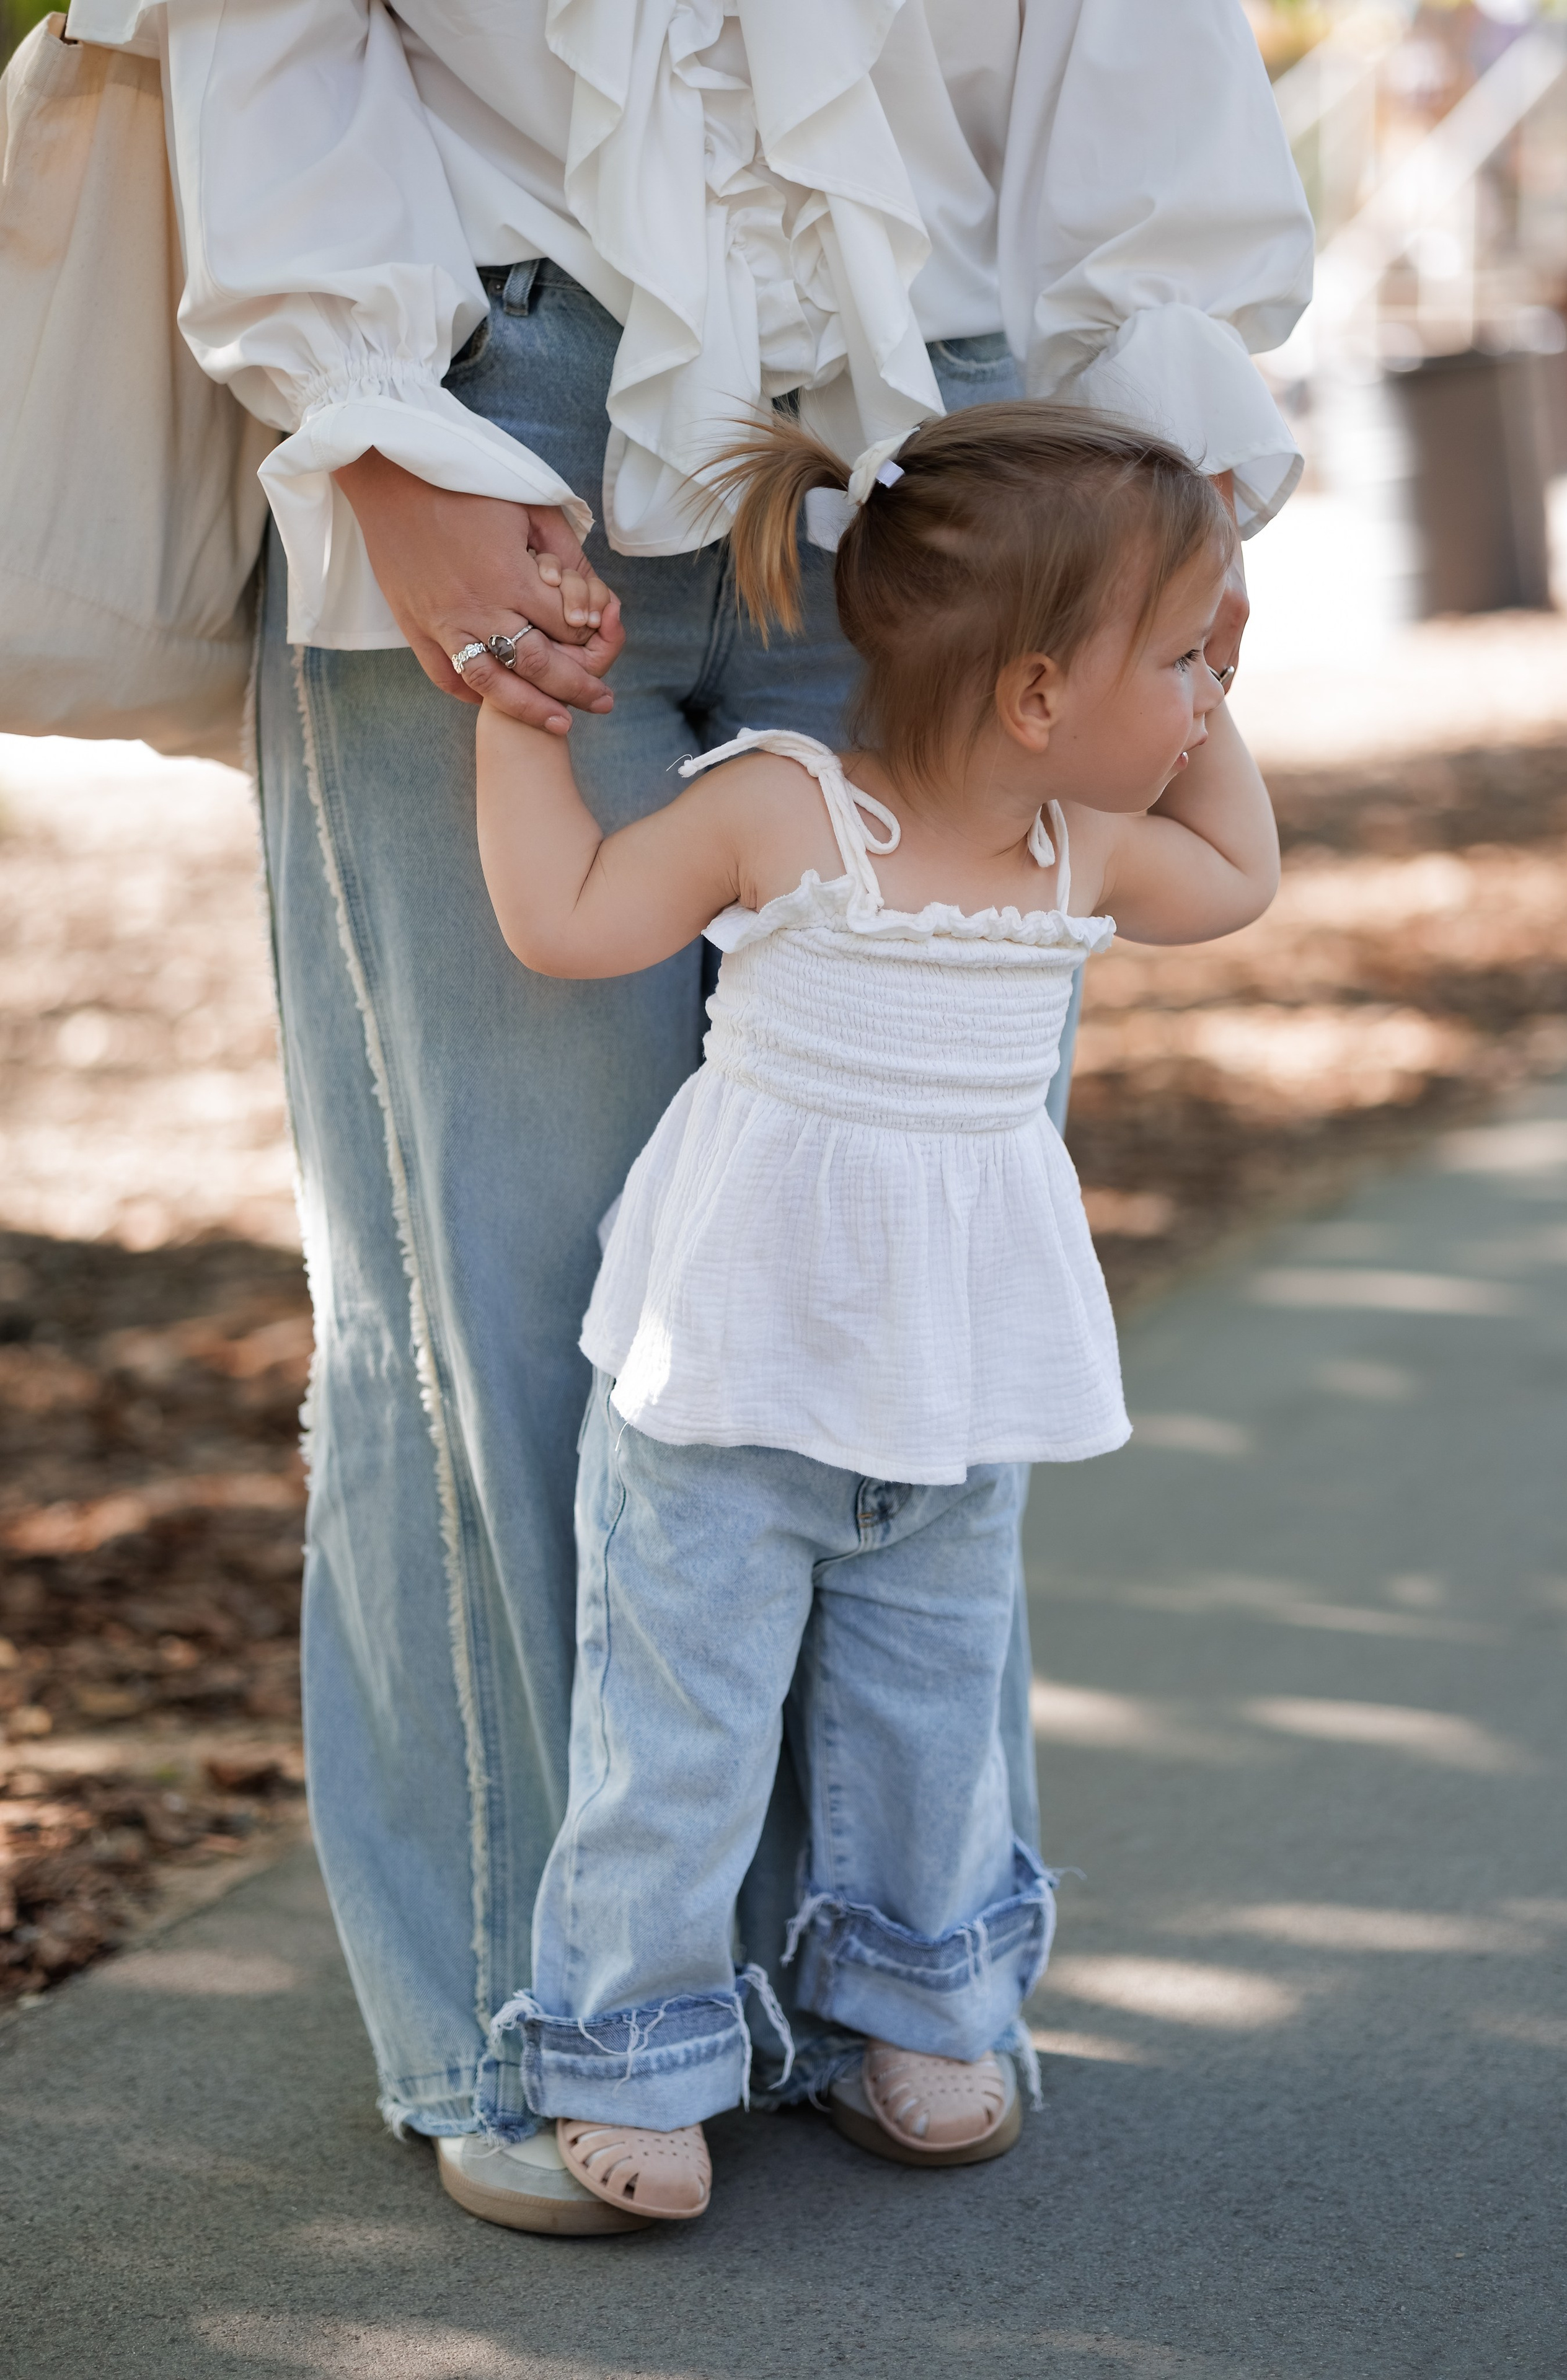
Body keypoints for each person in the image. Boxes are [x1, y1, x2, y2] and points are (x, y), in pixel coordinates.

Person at [69, 0, 1310, 2225]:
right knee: (521, 1285)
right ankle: (545, 2019)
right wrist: (379, 439)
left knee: (903, 1346)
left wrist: (1177, 505)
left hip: (970, 450)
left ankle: (895, 1980)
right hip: (487, 393)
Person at [469, 402, 1281, 2226]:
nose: (1210, 689)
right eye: (1182, 655)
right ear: (1039, 696)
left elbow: (1243, 881)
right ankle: (631, 2050)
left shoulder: (1084, 856)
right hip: (728, 1400)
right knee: (677, 1740)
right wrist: (515, 727)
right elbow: (571, 920)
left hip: (954, 1398)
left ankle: (923, 2005)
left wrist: (1225, 689)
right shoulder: (789, 810)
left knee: (930, 1727)